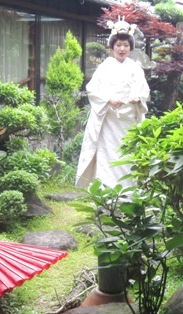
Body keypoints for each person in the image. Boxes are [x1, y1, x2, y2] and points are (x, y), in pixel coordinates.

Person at [75, 19, 150, 189]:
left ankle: (129, 194)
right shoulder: (104, 67)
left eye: (125, 45)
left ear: (130, 47)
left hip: (129, 120)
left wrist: (137, 98)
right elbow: (92, 89)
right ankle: (106, 195)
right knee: (107, 155)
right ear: (112, 47)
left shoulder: (135, 68)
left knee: (128, 155)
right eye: (118, 45)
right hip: (108, 120)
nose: (122, 49)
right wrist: (108, 99)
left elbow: (143, 91)